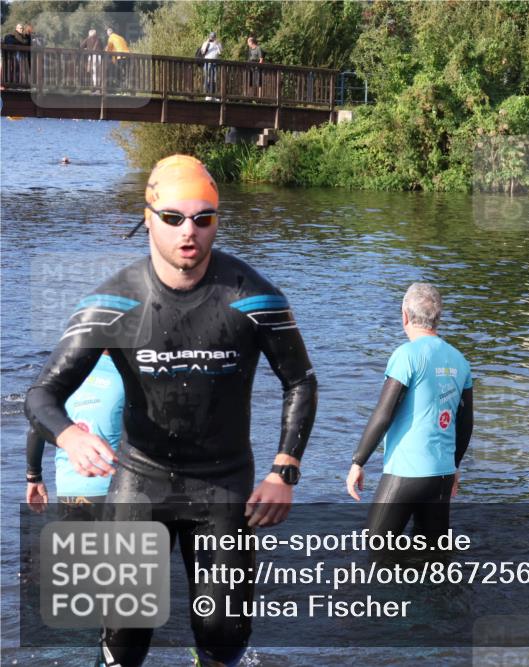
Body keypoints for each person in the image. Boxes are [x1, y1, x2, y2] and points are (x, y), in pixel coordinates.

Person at [24, 154, 318, 667]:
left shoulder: (254, 298)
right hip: (141, 481)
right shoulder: (113, 302)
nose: (190, 231)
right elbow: (41, 396)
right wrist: (68, 435)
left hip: (224, 485)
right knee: (123, 642)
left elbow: (300, 380)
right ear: (148, 217)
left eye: (204, 219)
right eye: (174, 218)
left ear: (216, 222)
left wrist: (283, 471)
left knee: (223, 636)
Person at [346, 283, 474, 542]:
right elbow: (466, 423)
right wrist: (454, 466)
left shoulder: (406, 355)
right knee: (433, 559)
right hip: (442, 475)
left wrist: (358, 462)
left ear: (404, 315)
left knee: (375, 550)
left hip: (406, 473)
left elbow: (384, 414)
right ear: (438, 317)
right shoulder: (460, 360)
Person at [25, 350, 124, 519]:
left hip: (70, 489)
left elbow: (38, 425)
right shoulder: (130, 375)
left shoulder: (60, 375)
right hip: (118, 489)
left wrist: (34, 477)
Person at [198, 31, 222, 97]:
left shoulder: (218, 44)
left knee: (214, 77)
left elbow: (220, 52)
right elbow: (202, 52)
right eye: (211, 37)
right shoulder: (205, 43)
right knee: (207, 77)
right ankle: (207, 92)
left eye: (213, 37)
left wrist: (217, 44)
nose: (212, 38)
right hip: (207, 62)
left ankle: (213, 92)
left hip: (215, 62)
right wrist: (207, 42)